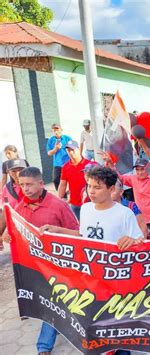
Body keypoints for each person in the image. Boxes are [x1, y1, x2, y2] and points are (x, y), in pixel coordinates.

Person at [3, 167, 79, 355]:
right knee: (51, 303)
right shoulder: (19, 207)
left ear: (40, 182)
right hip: (36, 268)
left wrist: (58, 231)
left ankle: (44, 345)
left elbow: (77, 233)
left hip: (60, 266)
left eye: (29, 184)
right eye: (22, 185)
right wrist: (8, 234)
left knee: (54, 302)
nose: (25, 188)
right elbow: (15, 233)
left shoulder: (59, 205)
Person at [113, 158, 150, 231]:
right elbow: (120, 178)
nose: (140, 172)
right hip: (141, 219)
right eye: (137, 170)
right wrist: (111, 165)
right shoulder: (133, 179)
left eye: (142, 169)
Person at [58, 140, 92, 220]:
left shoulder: (89, 165)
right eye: (68, 150)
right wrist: (60, 199)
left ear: (78, 150)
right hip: (75, 204)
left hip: (89, 203)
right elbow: (63, 184)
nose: (70, 153)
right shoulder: (65, 167)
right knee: (79, 227)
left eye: (72, 150)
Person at [46, 123, 72, 190]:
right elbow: (49, 153)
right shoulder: (51, 140)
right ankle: (62, 197)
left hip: (68, 163)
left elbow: (74, 149)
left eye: (57, 129)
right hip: (57, 164)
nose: (56, 131)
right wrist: (56, 148)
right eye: (54, 130)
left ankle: (73, 194)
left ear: (61, 129)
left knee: (71, 180)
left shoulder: (68, 138)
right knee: (56, 180)